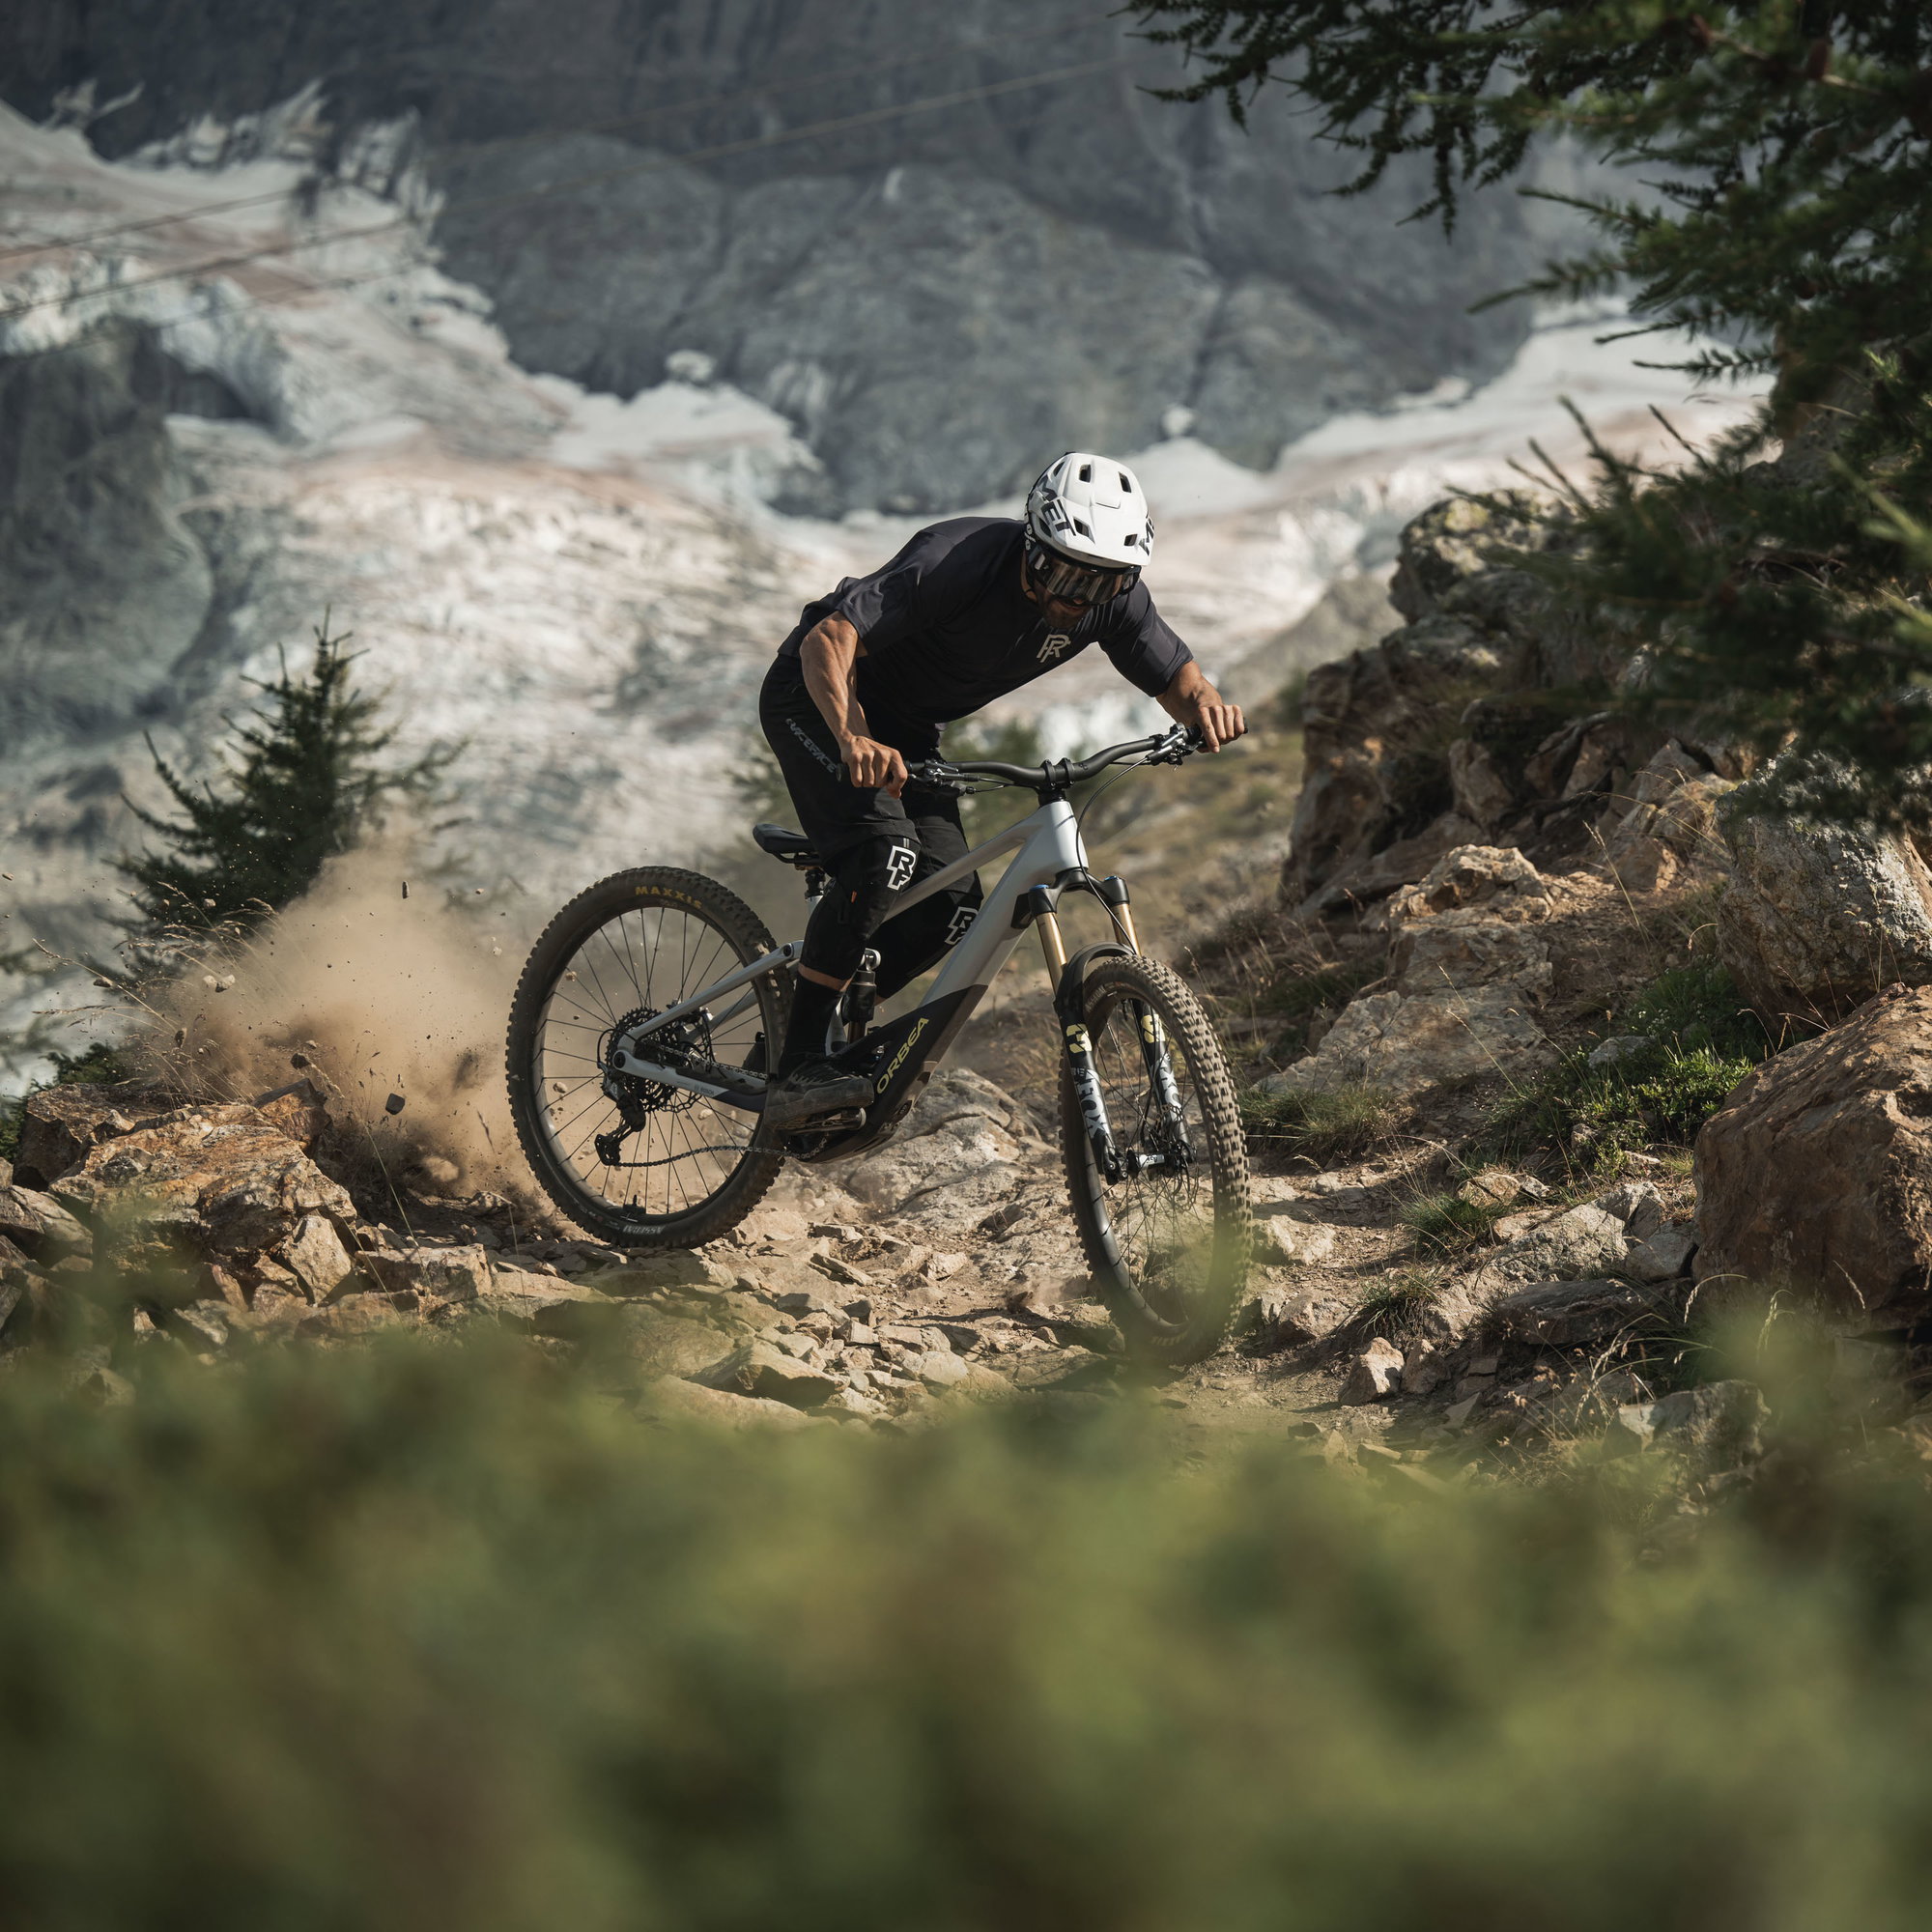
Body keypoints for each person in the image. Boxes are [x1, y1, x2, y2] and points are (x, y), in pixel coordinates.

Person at [757, 450, 1246, 1130]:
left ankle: (813, 1016)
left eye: (1104, 582)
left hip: (908, 734)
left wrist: (1208, 709)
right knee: (886, 854)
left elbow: (1179, 678)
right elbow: (829, 640)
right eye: (1066, 573)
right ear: (1033, 545)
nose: (1079, 597)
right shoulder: (955, 559)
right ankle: (798, 1061)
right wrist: (852, 737)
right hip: (821, 701)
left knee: (951, 908)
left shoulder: (1113, 601)